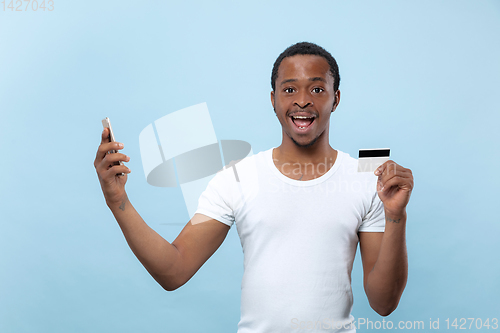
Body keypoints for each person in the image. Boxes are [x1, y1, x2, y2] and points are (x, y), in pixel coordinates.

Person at [94, 42, 414, 332]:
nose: (302, 100)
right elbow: (174, 270)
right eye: (289, 90)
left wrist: (395, 216)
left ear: (336, 98)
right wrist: (118, 201)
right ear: (273, 99)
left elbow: (383, 304)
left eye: (317, 89)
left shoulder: (366, 181)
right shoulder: (237, 177)